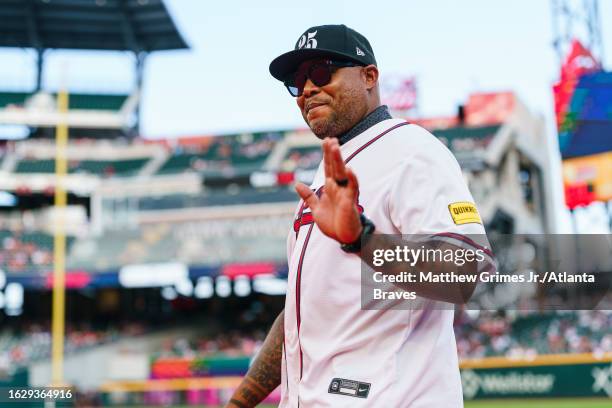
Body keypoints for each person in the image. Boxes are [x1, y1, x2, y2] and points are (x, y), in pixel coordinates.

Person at [227, 24, 493, 407]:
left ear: (369, 76)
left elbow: (465, 272)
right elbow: (299, 319)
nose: (307, 89)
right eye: (296, 81)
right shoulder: (326, 175)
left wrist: (362, 239)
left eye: (321, 72)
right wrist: (238, 403)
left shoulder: (412, 150)